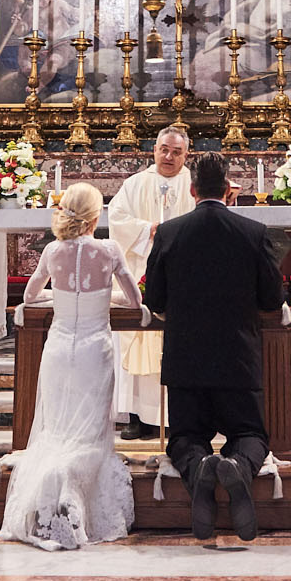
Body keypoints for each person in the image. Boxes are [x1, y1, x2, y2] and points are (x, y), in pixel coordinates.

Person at [145, 152, 287, 541]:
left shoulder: (169, 233)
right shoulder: (254, 232)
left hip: (186, 360)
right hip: (238, 358)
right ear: (227, 190)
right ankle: (238, 466)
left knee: (184, 438)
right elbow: (271, 300)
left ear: (192, 190)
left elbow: (154, 299)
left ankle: (199, 469)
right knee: (251, 434)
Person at [0, 182, 143, 551]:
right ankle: (71, 492)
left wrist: (59, 295)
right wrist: (104, 296)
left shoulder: (52, 251)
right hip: (94, 350)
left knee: (57, 429)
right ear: (96, 216)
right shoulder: (108, 250)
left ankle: (49, 488)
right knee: (89, 430)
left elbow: (30, 296)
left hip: (59, 349)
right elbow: (134, 300)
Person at [105, 127, 195, 439]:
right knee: (135, 341)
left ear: (186, 155)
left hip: (181, 280)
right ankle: (136, 416)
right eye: (164, 150)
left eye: (176, 152)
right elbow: (116, 219)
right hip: (140, 275)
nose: (169, 156)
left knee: (177, 349)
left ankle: (175, 418)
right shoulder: (135, 184)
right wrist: (149, 230)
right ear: (154, 150)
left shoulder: (194, 185)